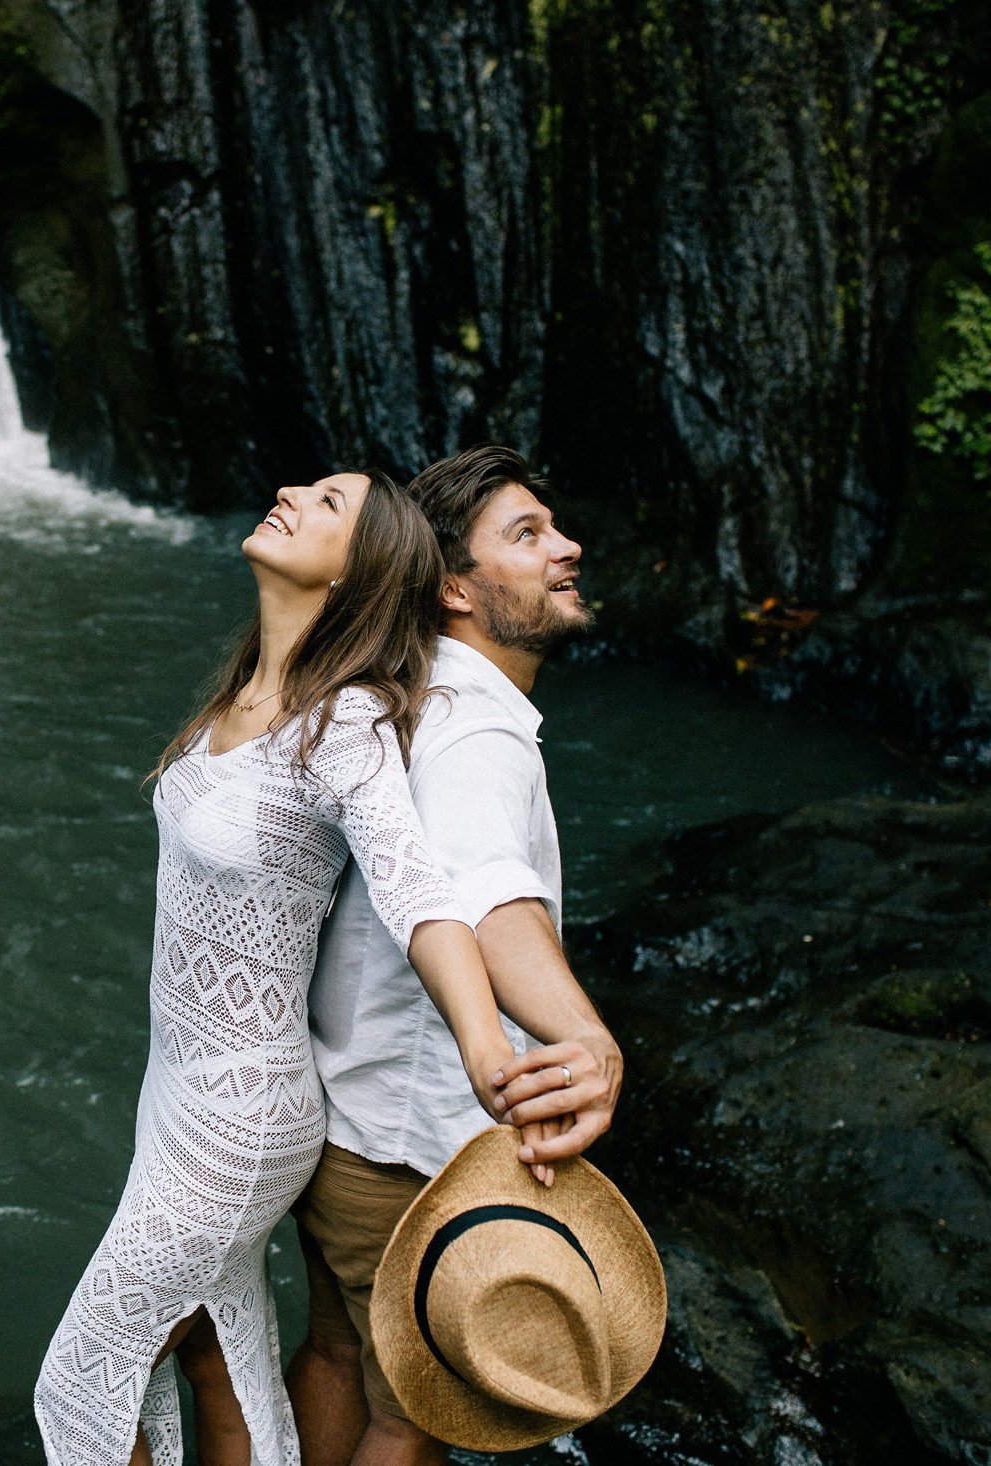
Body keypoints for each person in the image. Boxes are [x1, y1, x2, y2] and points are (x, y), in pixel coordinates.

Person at [34, 470, 527, 1466]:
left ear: (361, 570)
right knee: (216, 1348)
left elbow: (419, 893)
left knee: (80, 1380)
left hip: (239, 1111)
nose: (292, 490)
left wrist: (488, 1048)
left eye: (331, 501)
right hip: (174, 1094)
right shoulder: (247, 690)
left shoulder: (341, 723)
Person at [285, 445, 624, 1466]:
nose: (564, 545)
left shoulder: (410, 693)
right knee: (414, 1410)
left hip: (342, 1120)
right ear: (455, 588)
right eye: (524, 535)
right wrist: (586, 1036)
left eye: (552, 524)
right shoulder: (477, 732)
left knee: (339, 1350)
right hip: (407, 1146)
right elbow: (488, 901)